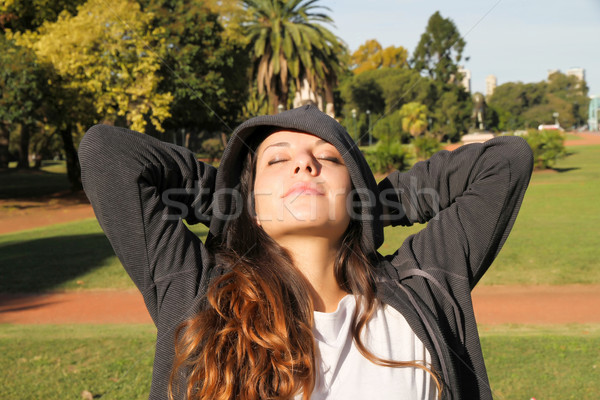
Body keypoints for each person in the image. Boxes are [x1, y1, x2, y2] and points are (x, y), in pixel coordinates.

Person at [79, 105, 533, 399]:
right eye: (277, 160)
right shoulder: (199, 293)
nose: (304, 163)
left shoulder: (421, 288)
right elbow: (108, 153)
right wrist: (230, 201)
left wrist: (370, 206)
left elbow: (505, 161)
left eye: (330, 158)